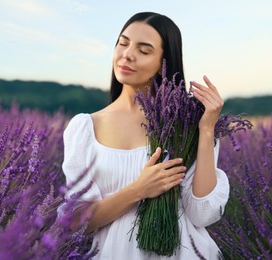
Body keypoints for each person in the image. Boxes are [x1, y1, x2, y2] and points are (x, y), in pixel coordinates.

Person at [62, 12, 229, 259]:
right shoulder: (85, 128)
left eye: (144, 50)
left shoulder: (185, 124)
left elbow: (201, 214)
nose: (127, 54)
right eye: (123, 42)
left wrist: (206, 131)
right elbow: (74, 222)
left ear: (164, 61)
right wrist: (138, 190)